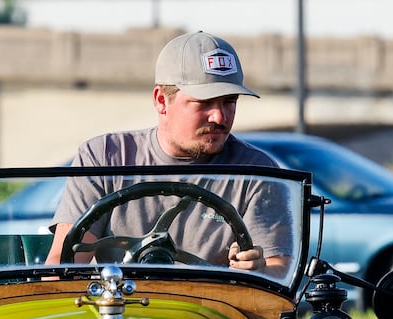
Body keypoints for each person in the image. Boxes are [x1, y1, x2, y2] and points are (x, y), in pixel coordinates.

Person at [45, 30, 291, 272]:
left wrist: (256, 269)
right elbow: (64, 265)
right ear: (162, 101)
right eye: (204, 103)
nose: (220, 116)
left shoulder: (257, 172)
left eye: (230, 101)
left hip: (213, 310)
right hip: (117, 307)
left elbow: (278, 269)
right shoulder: (104, 158)